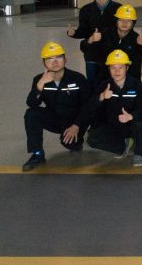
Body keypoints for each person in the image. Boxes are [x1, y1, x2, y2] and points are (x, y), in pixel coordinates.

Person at [22, 42, 92, 171]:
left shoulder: (78, 78)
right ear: (44, 63)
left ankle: (77, 142)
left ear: (65, 60)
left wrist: (76, 125)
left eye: (59, 57)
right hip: (55, 118)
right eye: (49, 59)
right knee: (31, 114)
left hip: (75, 121)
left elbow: (88, 106)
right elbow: (32, 103)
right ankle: (37, 154)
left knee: (71, 144)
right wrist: (40, 84)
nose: (54, 62)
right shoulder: (39, 79)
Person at [85, 50, 142, 167]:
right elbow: (90, 107)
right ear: (109, 69)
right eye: (113, 68)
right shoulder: (104, 85)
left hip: (132, 123)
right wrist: (101, 96)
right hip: (115, 124)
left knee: (141, 123)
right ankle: (123, 145)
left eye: (121, 67)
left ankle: (140, 153)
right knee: (92, 140)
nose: (117, 71)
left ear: (127, 68)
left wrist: (131, 116)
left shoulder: (137, 85)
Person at [67, 0, 122, 85]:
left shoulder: (118, 8)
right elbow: (83, 31)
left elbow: (122, 30)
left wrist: (104, 34)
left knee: (112, 85)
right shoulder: (85, 10)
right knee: (93, 86)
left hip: (111, 54)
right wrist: (73, 33)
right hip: (92, 56)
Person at [81, 4, 142, 80]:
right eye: (121, 20)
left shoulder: (137, 39)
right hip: (105, 79)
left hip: (130, 80)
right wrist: (91, 40)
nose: (124, 23)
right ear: (116, 21)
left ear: (133, 23)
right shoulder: (105, 34)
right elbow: (83, 48)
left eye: (128, 21)